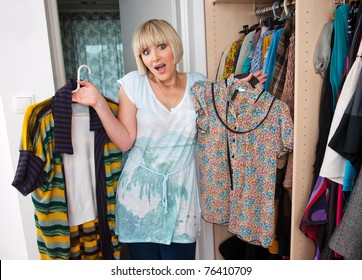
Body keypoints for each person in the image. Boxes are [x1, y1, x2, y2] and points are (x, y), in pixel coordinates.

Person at [72, 18, 267, 260]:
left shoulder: (199, 83)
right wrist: (99, 102)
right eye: (146, 51)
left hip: (182, 202)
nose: (154, 57)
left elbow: (221, 129)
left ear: (174, 46)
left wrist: (241, 94)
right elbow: (125, 141)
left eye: (161, 46)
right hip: (138, 202)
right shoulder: (133, 84)